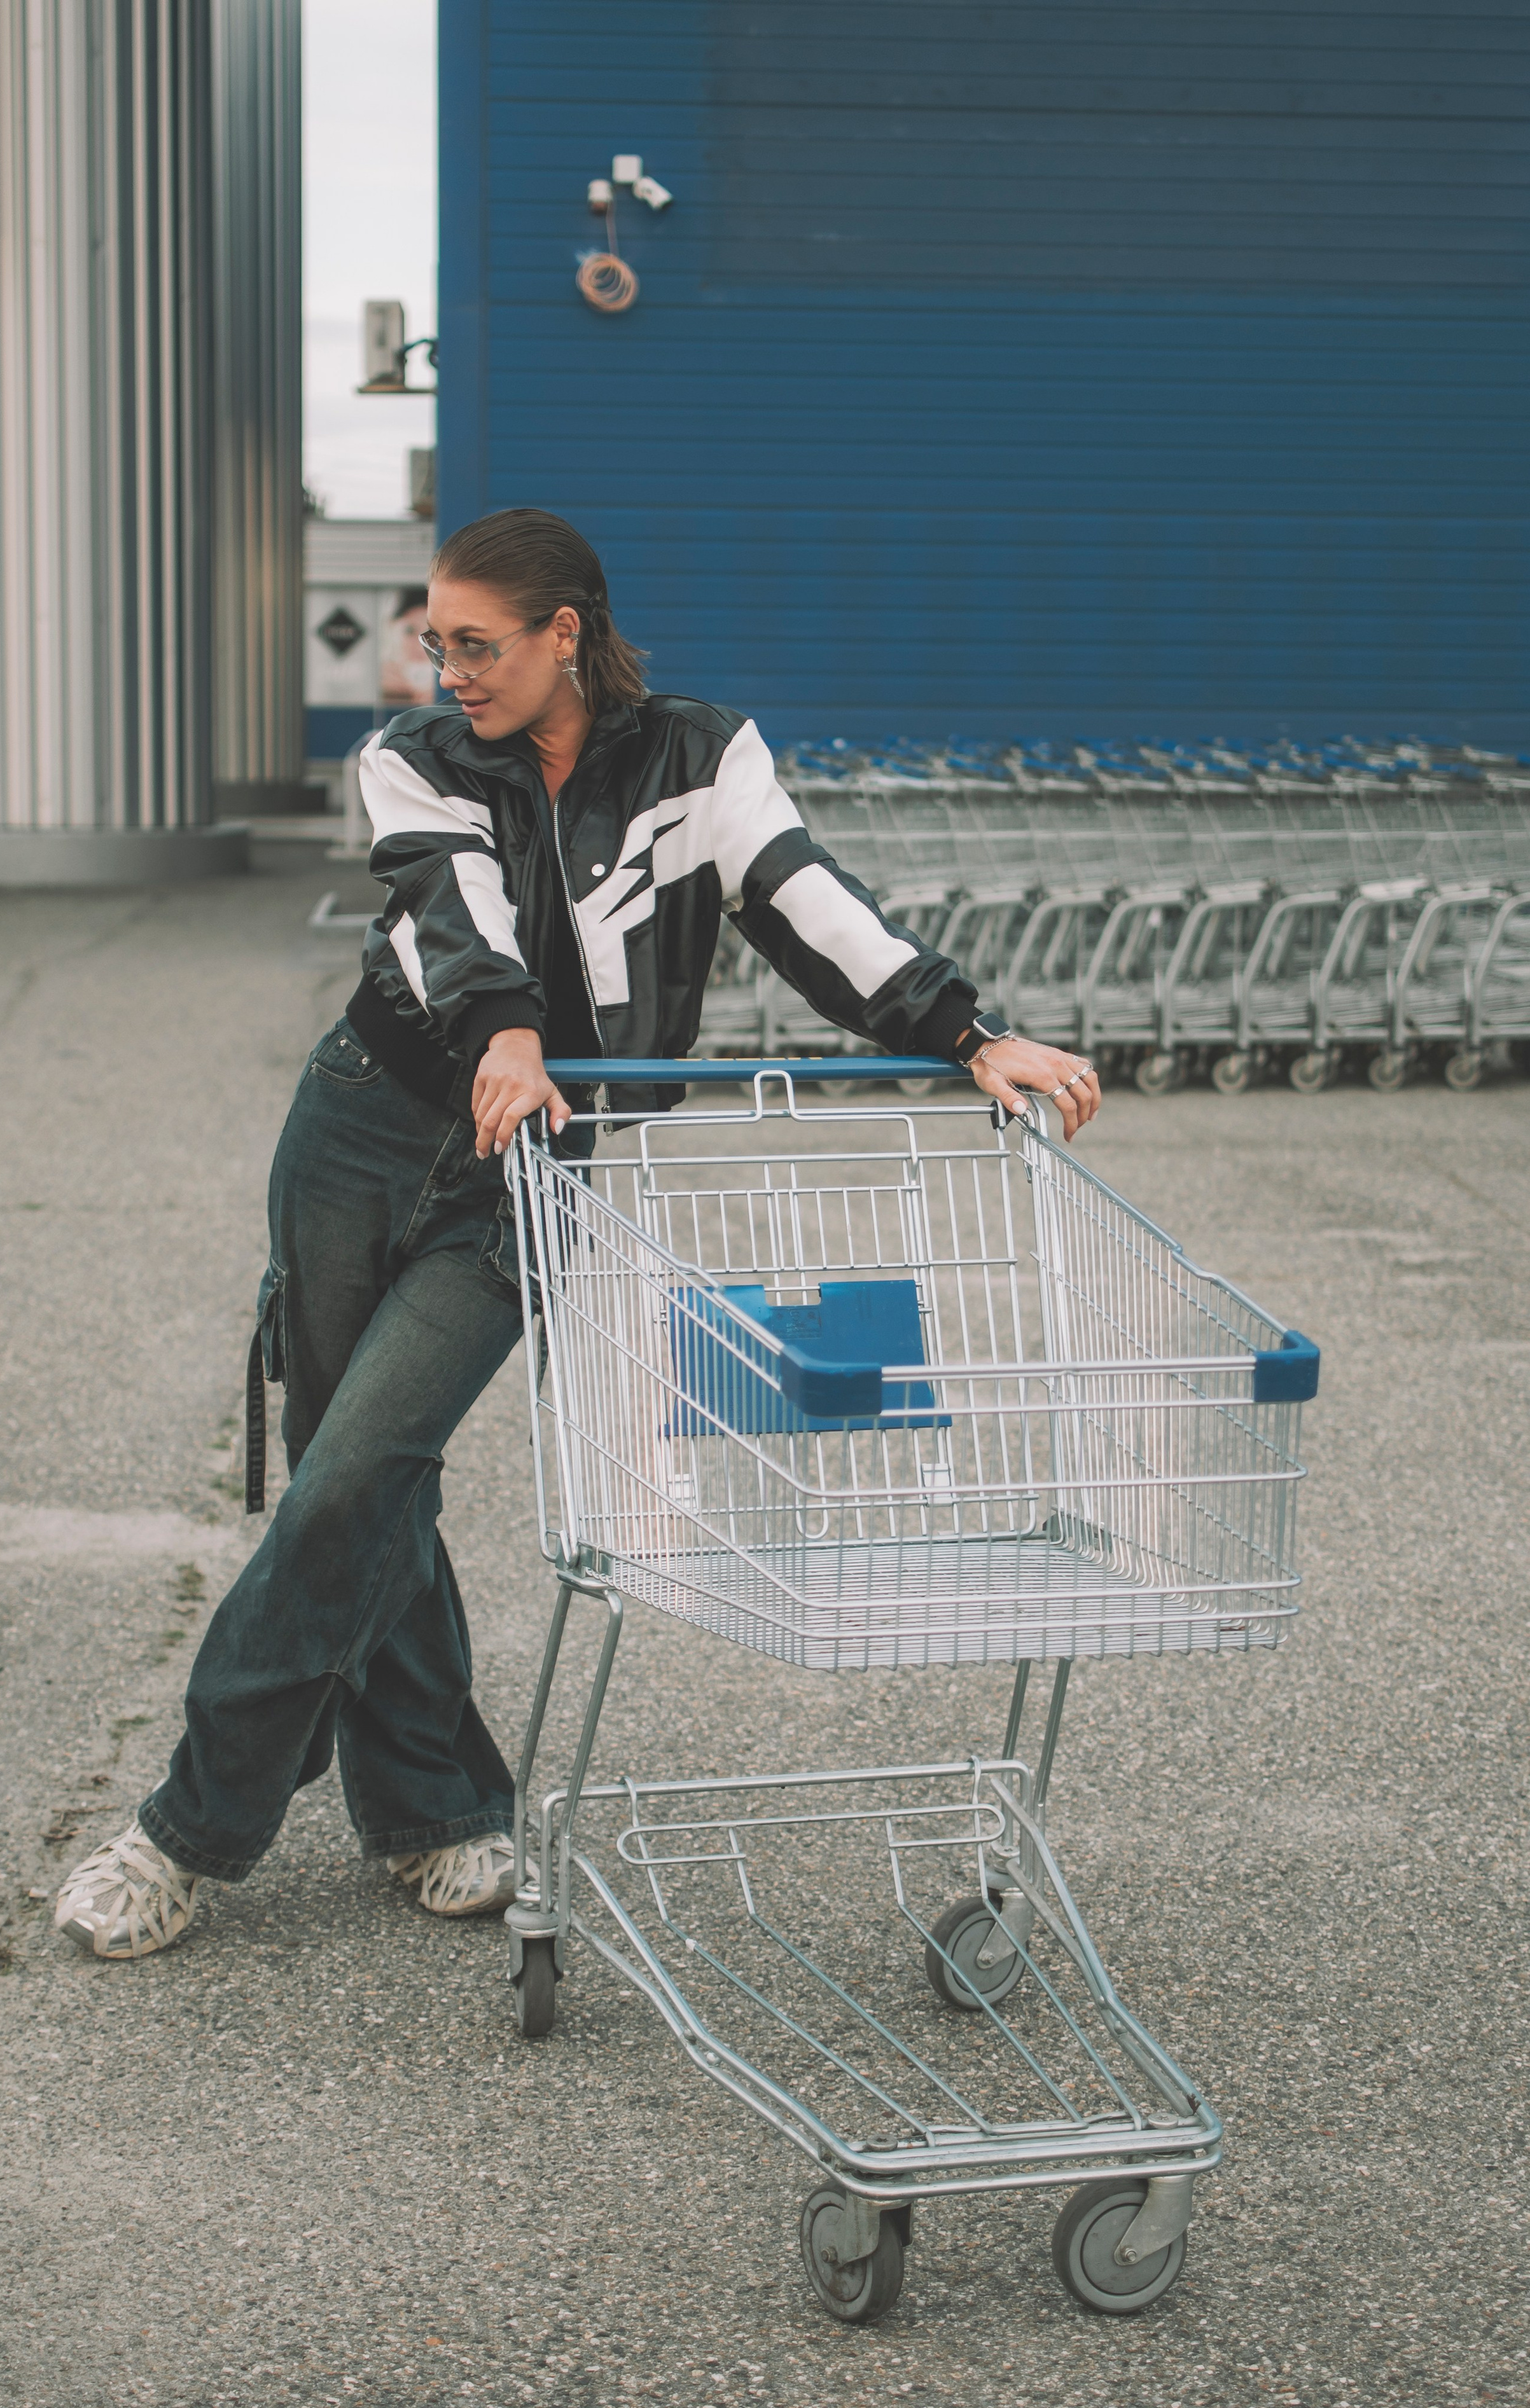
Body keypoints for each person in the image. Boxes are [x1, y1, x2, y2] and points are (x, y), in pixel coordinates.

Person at [53, 507, 1101, 1960]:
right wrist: (506, 1032)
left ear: (567, 633)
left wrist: (968, 1034)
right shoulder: (416, 758)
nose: (447, 669)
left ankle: (190, 1826)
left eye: (476, 645)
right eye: (434, 641)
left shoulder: (698, 754)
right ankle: (431, 1811)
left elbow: (806, 900)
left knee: (358, 1466)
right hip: (369, 1124)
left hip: (531, 1168)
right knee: (367, 1477)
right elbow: (448, 907)